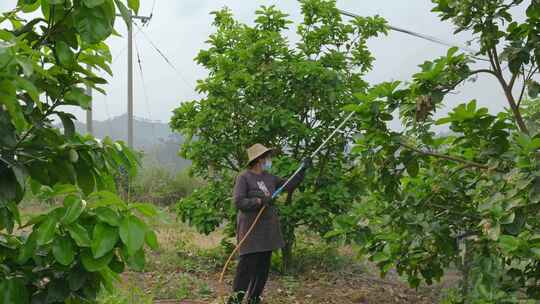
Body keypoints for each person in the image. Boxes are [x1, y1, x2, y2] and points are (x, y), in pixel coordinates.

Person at [228, 143, 311, 304]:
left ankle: (253, 300)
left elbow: (289, 184)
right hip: (250, 232)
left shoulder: (269, 178)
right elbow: (238, 202)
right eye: (267, 157)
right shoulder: (244, 177)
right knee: (245, 269)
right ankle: (235, 301)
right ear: (259, 159)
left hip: (267, 231)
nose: (269, 160)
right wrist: (259, 201)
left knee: (262, 270)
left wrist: (302, 170)